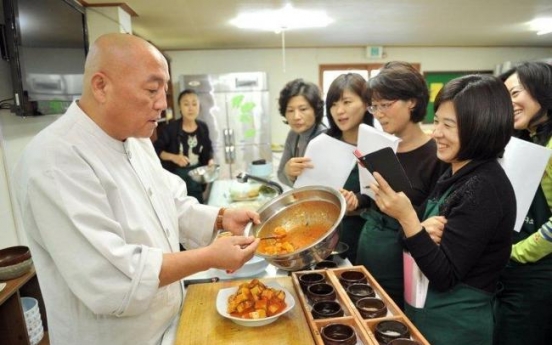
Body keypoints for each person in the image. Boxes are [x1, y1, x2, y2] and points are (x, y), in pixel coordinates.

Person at [12, 33, 260, 345]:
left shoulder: (136, 139)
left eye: (164, 91)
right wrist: (209, 256)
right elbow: (112, 276)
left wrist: (222, 218)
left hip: (169, 324)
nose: (162, 104)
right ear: (101, 86)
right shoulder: (55, 159)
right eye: (152, 90)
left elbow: (172, 203)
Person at [370, 74, 516, 345]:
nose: (436, 133)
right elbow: (408, 241)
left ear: (481, 127)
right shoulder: (453, 172)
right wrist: (417, 230)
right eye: (436, 121)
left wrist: (409, 220)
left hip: (457, 327)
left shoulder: (485, 187)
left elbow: (444, 275)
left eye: (448, 125)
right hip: (425, 316)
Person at [355, 61, 447, 309]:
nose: (378, 113)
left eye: (386, 104)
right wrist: (360, 198)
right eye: (374, 106)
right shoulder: (378, 147)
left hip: (404, 260)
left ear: (413, 102)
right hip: (368, 248)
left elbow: (434, 221)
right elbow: (373, 196)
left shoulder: (437, 156)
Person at [494, 61, 552, 345]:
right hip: (512, 267)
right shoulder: (522, 139)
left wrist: (516, 253)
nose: (510, 103)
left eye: (515, 93)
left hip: (539, 269)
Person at [325, 73, 374, 263]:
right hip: (323, 232)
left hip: (360, 234)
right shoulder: (323, 142)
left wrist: (358, 201)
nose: (339, 110)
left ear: (366, 104)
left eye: (346, 102)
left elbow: (379, 195)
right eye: (334, 104)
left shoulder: (377, 144)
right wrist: (292, 171)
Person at [154, 89, 214, 204]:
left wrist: (210, 160)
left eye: (194, 104)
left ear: (199, 107)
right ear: (180, 107)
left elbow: (208, 147)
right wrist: (174, 157)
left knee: (198, 206)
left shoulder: (203, 127)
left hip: (197, 177)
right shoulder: (170, 129)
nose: (190, 108)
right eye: (186, 104)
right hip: (176, 178)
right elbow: (156, 150)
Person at [277, 78, 326, 187]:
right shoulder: (293, 134)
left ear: (316, 110)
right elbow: (280, 174)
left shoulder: (325, 137)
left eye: (303, 109)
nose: (296, 117)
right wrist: (287, 172)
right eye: (290, 110)